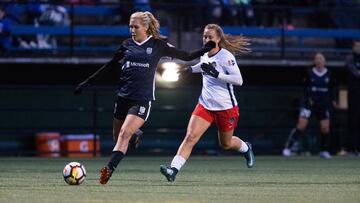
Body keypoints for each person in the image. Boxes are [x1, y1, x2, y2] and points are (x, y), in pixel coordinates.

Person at [74, 11, 216, 185]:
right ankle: (136, 135)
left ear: (146, 27)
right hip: (123, 97)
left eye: (136, 26)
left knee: (124, 134)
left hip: (142, 99)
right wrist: (87, 82)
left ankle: (108, 170)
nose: (132, 30)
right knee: (118, 135)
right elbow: (110, 65)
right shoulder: (126, 44)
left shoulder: (158, 45)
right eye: (130, 26)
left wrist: (206, 49)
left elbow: (185, 56)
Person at [159, 23, 255, 183]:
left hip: (226, 108)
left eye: (210, 37)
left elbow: (239, 80)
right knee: (190, 137)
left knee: (226, 144)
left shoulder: (226, 56)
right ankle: (173, 170)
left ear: (218, 39)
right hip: (205, 105)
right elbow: (204, 66)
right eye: (204, 36)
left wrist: (218, 75)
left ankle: (246, 147)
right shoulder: (204, 53)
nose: (206, 39)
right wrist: (189, 69)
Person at [282, 52, 338, 159]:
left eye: (321, 58)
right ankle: (288, 148)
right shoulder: (309, 72)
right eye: (317, 58)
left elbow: (332, 89)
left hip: (323, 104)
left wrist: (333, 100)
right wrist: (308, 99)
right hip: (309, 104)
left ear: (324, 61)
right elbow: (305, 88)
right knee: (301, 126)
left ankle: (324, 150)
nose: (319, 60)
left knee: (325, 128)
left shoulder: (329, 74)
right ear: (314, 61)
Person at [345, 40, 360, 156]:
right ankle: (351, 149)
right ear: (353, 47)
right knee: (353, 121)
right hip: (354, 95)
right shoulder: (349, 59)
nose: (358, 48)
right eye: (356, 46)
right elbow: (354, 73)